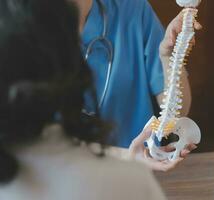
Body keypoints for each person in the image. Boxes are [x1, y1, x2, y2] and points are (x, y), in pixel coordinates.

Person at [0, 0, 167, 199]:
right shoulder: (133, 183)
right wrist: (125, 160)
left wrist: (169, 59)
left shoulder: (132, 10)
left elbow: (174, 107)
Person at [71, 0, 202, 147]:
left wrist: (169, 57)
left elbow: (177, 113)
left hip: (138, 165)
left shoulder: (133, 9)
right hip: (61, 165)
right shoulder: (41, 26)